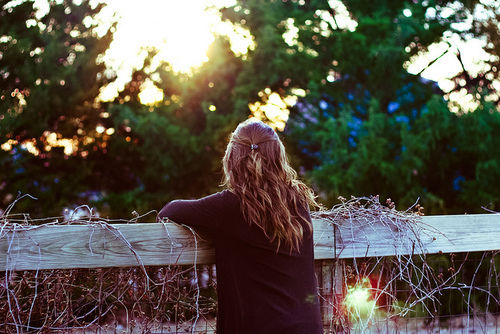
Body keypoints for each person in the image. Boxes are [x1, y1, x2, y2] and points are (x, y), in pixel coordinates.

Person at [158, 119, 323, 334]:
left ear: (232, 159)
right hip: (306, 327)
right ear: (278, 157)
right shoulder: (298, 202)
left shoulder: (228, 206)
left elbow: (170, 211)